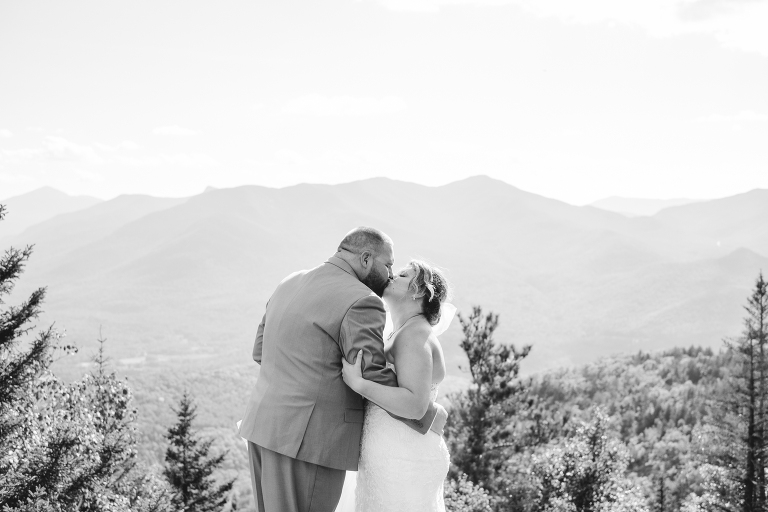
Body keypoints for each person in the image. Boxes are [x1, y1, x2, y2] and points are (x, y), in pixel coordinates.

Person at [238, 227, 448, 512]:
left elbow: (260, 351)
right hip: (308, 443)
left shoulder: (289, 282)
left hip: (262, 428)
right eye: (388, 265)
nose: (389, 274)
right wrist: (428, 413)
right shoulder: (361, 300)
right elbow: (370, 374)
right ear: (365, 259)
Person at [339, 259, 452, 512]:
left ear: (418, 292)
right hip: (394, 452)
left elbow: (415, 406)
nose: (391, 276)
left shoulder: (414, 334)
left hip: (403, 457)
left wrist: (359, 383)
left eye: (403, 275)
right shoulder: (404, 331)